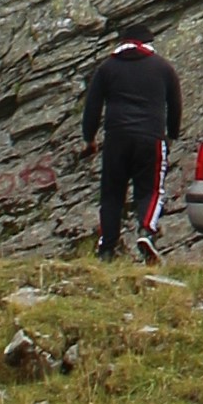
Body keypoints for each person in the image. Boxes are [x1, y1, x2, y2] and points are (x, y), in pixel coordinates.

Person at [79, 26, 183, 260]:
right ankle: (146, 230)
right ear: (148, 42)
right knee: (151, 190)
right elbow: (175, 104)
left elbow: (92, 107)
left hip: (116, 139)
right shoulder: (163, 68)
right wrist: (172, 134)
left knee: (112, 194)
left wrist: (89, 139)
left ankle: (107, 248)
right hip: (151, 138)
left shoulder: (107, 68)